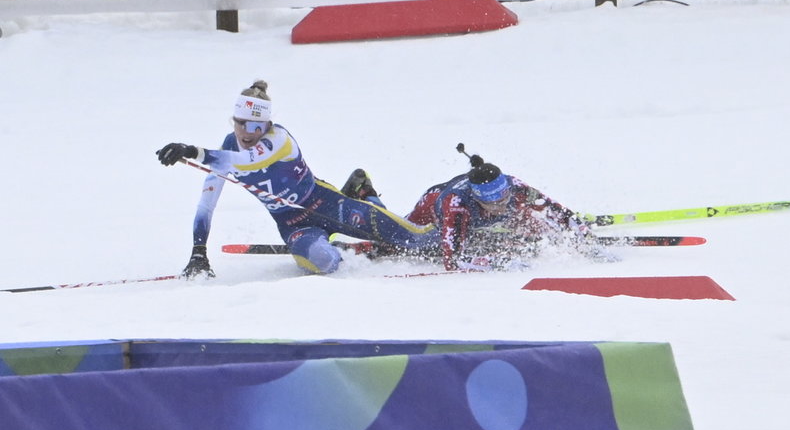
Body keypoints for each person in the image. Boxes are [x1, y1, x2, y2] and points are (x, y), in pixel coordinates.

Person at [156, 80, 436, 279]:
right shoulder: (226, 150)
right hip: (292, 223)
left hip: (325, 203)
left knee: (418, 240)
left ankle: (362, 192)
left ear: (267, 124)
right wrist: (198, 252)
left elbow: (248, 161)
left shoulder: (279, 139)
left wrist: (193, 151)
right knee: (326, 263)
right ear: (234, 121)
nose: (248, 132)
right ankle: (344, 244)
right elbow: (207, 205)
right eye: (241, 123)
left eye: (256, 126)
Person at [377, 149, 615, 271]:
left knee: (534, 222)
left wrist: (585, 240)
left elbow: (558, 212)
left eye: (503, 195)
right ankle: (367, 197)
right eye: (492, 200)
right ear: (477, 197)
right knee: (403, 241)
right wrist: (498, 263)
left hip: (478, 218)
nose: (501, 202)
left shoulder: (516, 188)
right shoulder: (457, 207)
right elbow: (453, 262)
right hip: (432, 209)